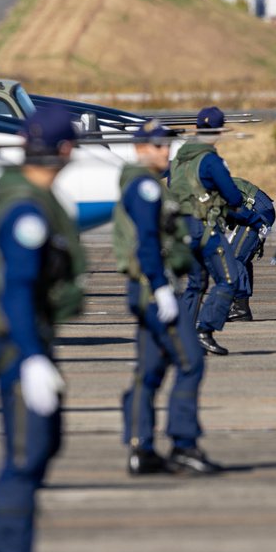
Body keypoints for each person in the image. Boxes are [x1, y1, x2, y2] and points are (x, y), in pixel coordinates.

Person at [0, 106, 85, 552]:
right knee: (26, 453)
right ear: (65, 151)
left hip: (25, 340)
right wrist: (34, 358)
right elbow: (16, 289)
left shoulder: (30, 200)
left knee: (42, 444)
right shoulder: (28, 212)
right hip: (17, 343)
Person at [112, 118, 220, 477]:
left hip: (144, 289)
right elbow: (147, 241)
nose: (165, 152)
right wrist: (161, 287)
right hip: (153, 289)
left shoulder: (139, 183)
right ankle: (183, 445)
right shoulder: (144, 187)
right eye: (158, 145)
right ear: (140, 148)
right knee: (191, 362)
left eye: (167, 145)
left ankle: (140, 447)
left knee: (150, 370)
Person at [168, 106, 260, 356]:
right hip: (204, 227)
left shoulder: (179, 159)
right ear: (219, 131)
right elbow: (234, 197)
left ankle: (184, 336)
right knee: (228, 279)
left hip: (180, 227)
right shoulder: (210, 160)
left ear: (197, 128)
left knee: (196, 282)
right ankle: (204, 330)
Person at [226, 176, 276, 321]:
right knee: (239, 255)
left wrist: (258, 223)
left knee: (236, 256)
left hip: (256, 209)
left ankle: (240, 307)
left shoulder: (204, 184)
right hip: (253, 208)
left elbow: (234, 205)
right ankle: (240, 305)